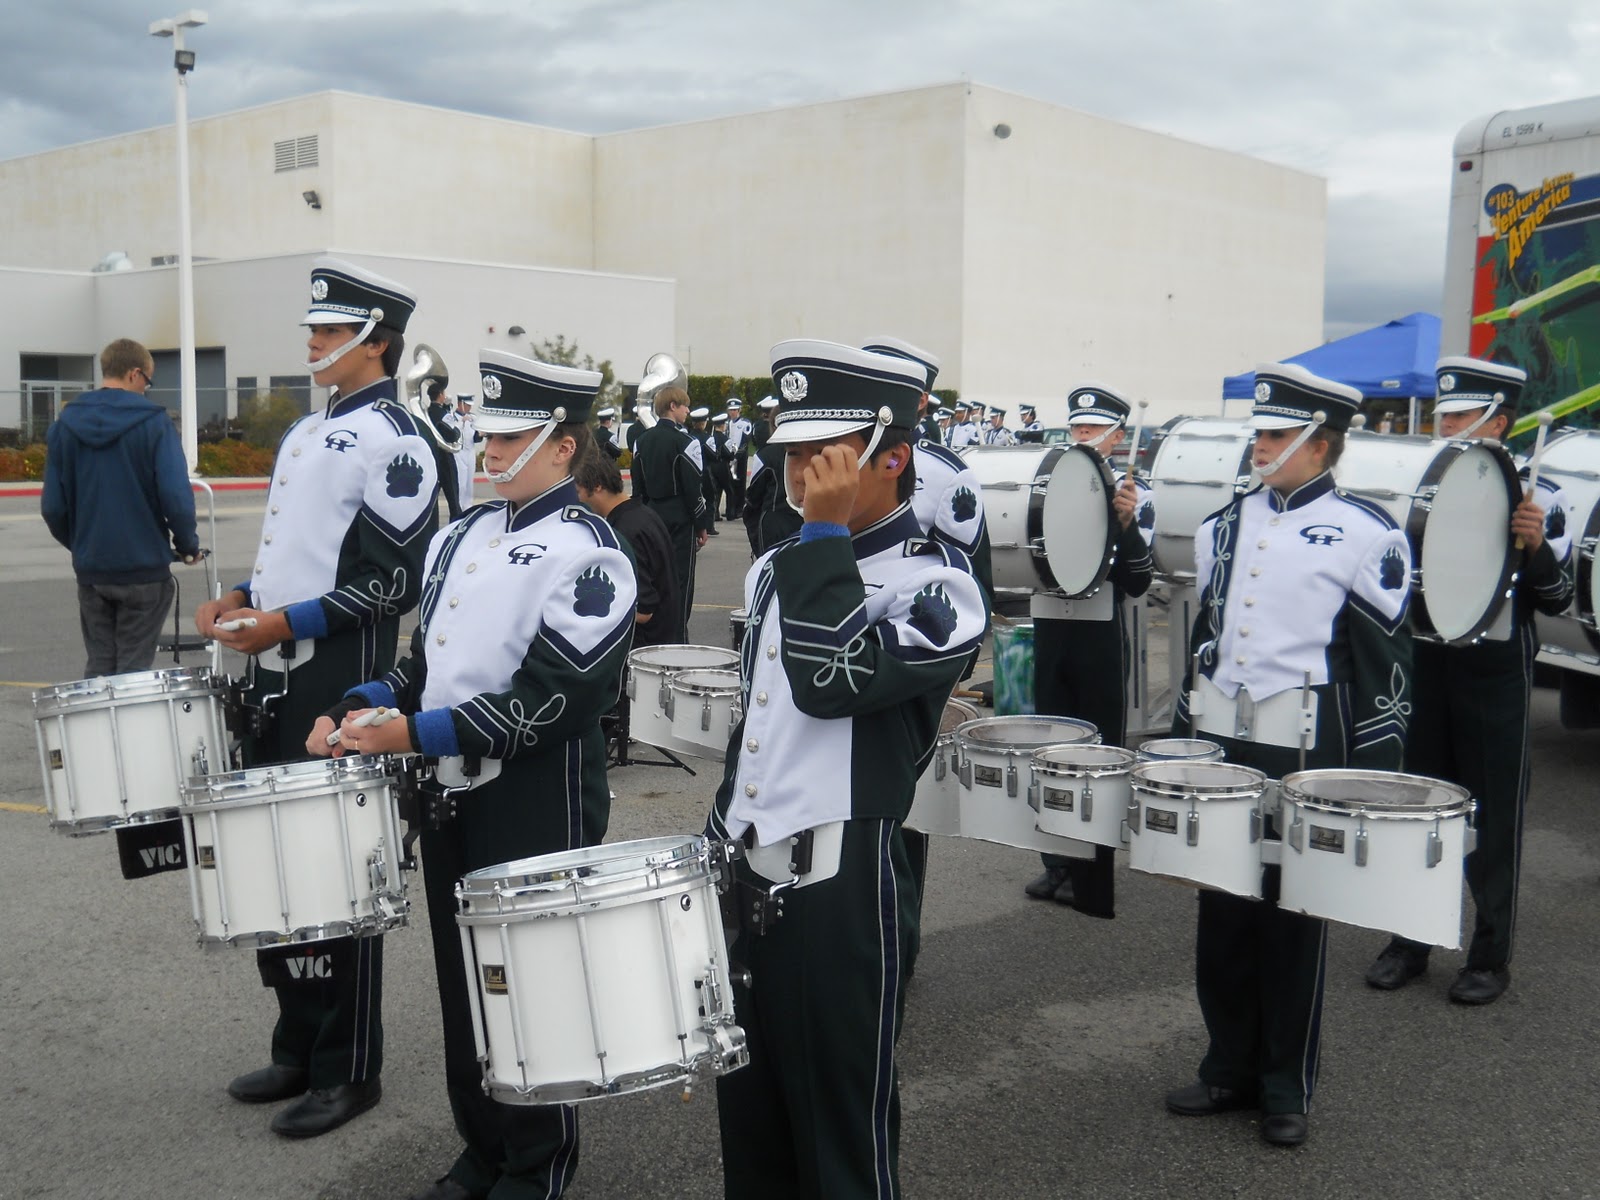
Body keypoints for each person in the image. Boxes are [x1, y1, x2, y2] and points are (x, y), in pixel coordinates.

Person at [313, 351, 636, 1200]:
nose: (487, 452)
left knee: (530, 993)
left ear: (564, 447)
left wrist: (408, 732)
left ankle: (537, 1163)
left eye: (509, 438)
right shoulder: (462, 535)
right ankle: (483, 1146)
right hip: (452, 789)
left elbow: (553, 700)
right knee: (464, 987)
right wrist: (365, 704)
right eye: (484, 435)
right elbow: (430, 667)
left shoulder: (590, 554)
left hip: (534, 801)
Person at [708, 339, 988, 1199]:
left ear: (891, 455)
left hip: (842, 885)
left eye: (819, 457)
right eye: (790, 454)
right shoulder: (773, 569)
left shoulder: (937, 587)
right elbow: (757, 731)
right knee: (749, 1119)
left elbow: (832, 685)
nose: (797, 476)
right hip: (747, 868)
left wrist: (824, 532)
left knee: (840, 1132)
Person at [196, 257, 439, 1138]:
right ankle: (298, 1042)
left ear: (376, 342)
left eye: (330, 332)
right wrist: (242, 604)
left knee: (338, 877)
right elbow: (288, 556)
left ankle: (349, 1067)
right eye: (314, 328)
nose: (312, 342)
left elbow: (392, 584)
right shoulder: (306, 432)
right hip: (271, 670)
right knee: (275, 871)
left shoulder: (399, 440)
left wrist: (284, 622)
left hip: (337, 682)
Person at [1164, 363, 1412, 1148]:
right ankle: (1226, 1065)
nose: (1260, 446)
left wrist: (1375, 775)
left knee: (1293, 916)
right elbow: (1203, 643)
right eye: (1260, 432)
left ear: (1319, 445)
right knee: (1223, 908)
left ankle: (1284, 1085)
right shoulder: (1221, 527)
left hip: (1307, 746)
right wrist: (1185, 741)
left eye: (1275, 434)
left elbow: (1387, 670)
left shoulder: (1369, 533)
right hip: (1228, 741)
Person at [1364, 357, 1573, 1005]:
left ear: (1498, 422)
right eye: (1445, 414)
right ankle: (1410, 941)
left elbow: (1560, 596)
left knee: (1493, 817)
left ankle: (1489, 955)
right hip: (1428, 663)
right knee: (1417, 808)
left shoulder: (1541, 496)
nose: (1446, 425)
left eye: (1458, 415)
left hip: (1495, 672)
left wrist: (1533, 548)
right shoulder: (1423, 484)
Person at [1024, 385, 1154, 917]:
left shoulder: (1132, 490)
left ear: (1116, 436)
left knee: (1097, 755)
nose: (1081, 438)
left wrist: (1126, 527)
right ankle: (1057, 861)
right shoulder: (1048, 485)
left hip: (1099, 639)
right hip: (1053, 632)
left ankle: (1093, 877)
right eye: (1076, 429)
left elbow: (1139, 582)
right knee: (1051, 747)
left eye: (1091, 430)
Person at [42, 337, 200, 676]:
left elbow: (53, 508)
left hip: (92, 570)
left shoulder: (64, 425)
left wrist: (84, 544)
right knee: (133, 669)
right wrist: (188, 547)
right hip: (144, 570)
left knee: (99, 665)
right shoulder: (155, 423)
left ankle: (95, 730)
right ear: (134, 373)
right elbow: (177, 498)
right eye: (147, 380)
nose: (146, 388)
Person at [575, 441, 684, 646]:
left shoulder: (624, 532)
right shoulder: (643, 514)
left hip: (644, 650)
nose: (576, 499)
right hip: (665, 638)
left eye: (578, 491)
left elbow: (644, 611)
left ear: (597, 486)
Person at [633, 385, 711, 633]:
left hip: (650, 515)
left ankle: (656, 633)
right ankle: (677, 634)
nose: (688, 410)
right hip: (680, 518)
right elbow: (693, 490)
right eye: (684, 405)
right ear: (672, 406)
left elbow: (638, 489)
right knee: (680, 581)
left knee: (654, 578)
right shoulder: (686, 442)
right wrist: (701, 524)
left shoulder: (641, 441)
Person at [742, 394, 803, 556]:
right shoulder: (812, 452)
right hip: (805, 521)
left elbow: (753, 498)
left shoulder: (765, 456)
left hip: (774, 524)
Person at [425, 380, 467, 521]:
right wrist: (456, 431)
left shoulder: (427, 411)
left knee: (432, 496)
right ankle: (455, 525)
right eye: (444, 393)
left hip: (432, 456)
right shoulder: (442, 413)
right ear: (440, 395)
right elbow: (452, 434)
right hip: (445, 457)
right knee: (453, 497)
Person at [452, 393, 480, 514]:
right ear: (460, 404)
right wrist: (461, 422)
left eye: (470, 406)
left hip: (470, 451)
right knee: (461, 481)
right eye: (467, 405)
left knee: (469, 481)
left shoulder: (472, 418)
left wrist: (480, 432)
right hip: (459, 452)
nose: (469, 408)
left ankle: (468, 505)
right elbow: (452, 433)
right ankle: (459, 505)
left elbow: (476, 438)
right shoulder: (451, 417)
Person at [725, 397, 753, 518]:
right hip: (729, 456)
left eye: (735, 410)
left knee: (740, 482)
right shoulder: (727, 423)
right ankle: (731, 507)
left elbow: (745, 442)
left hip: (740, 457)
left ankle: (739, 508)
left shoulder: (745, 423)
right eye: (731, 410)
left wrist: (737, 455)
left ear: (739, 410)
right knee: (730, 482)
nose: (733, 412)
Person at [709, 410, 735, 528]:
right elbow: (729, 455)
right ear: (723, 425)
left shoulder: (711, 438)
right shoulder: (726, 439)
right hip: (723, 466)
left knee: (717, 490)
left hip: (712, 466)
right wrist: (733, 453)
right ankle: (730, 513)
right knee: (729, 490)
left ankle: (715, 513)